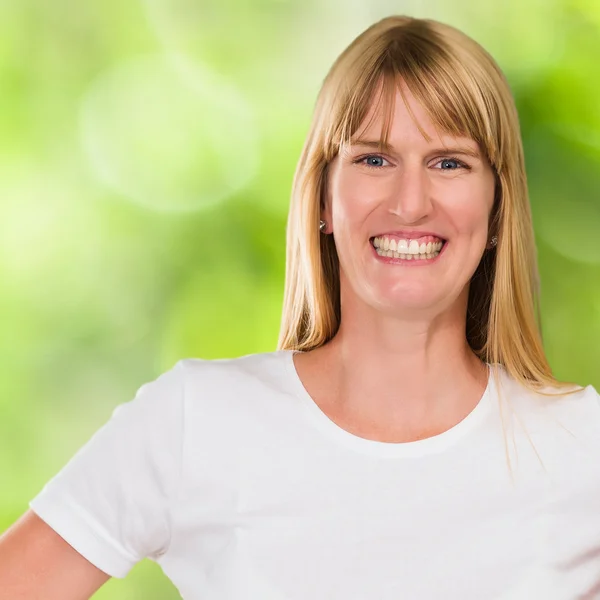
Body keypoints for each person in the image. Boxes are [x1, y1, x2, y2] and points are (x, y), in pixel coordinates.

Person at [1, 14, 599, 600]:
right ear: (322, 197)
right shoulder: (197, 423)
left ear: (497, 209)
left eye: (449, 163)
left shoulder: (580, 445)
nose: (411, 202)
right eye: (373, 159)